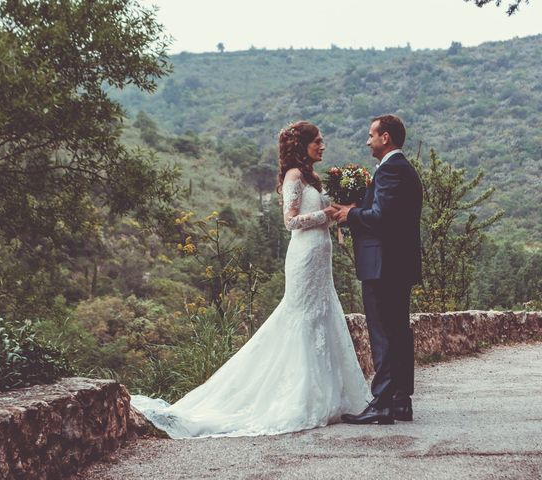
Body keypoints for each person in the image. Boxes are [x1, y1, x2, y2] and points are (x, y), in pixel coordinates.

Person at [131, 121, 369, 438]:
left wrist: (339, 209)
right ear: (302, 145)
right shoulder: (294, 177)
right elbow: (290, 221)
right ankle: (301, 395)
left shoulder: (312, 176)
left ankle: (329, 394)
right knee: (302, 318)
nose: (323, 145)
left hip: (320, 255)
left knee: (323, 316)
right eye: (318, 141)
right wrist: (326, 214)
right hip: (304, 255)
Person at [332, 115, 423, 425]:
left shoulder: (391, 170)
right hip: (397, 266)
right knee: (398, 332)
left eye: (371, 135)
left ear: (386, 138)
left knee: (383, 333)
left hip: (384, 266)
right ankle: (400, 401)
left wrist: (350, 213)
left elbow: (380, 216)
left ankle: (382, 402)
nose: (368, 140)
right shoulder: (401, 170)